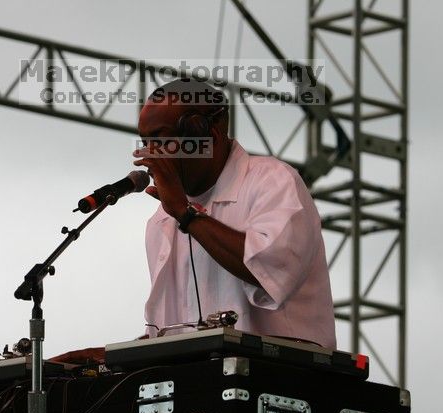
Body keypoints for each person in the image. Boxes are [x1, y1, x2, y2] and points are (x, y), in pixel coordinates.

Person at [133, 78, 336, 349]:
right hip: (202, 385)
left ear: (208, 135)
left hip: (284, 383)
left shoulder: (273, 182)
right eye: (145, 142)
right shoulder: (161, 221)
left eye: (160, 140)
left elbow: (267, 268)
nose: (149, 155)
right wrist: (107, 359)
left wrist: (186, 214)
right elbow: (173, 330)